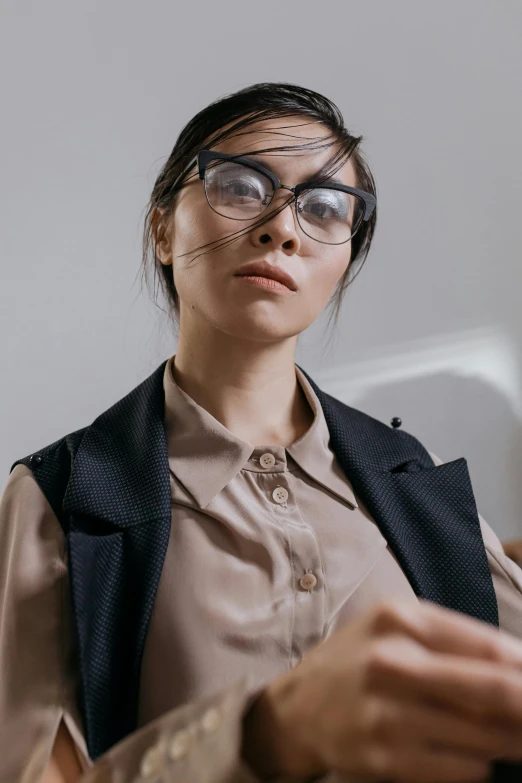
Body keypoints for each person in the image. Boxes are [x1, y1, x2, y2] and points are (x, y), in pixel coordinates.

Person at [1, 82, 522, 783]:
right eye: (242, 185)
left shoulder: (411, 475)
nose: (284, 227)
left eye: (326, 207)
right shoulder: (61, 497)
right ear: (163, 228)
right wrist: (269, 734)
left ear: (342, 264)